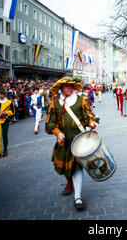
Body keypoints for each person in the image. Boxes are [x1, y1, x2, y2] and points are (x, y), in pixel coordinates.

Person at [45, 77, 99, 210]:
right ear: (61, 88)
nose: (69, 88)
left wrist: (92, 122)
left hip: (79, 139)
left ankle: (78, 197)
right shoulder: (55, 103)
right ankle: (69, 184)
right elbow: (51, 123)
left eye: (71, 86)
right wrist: (58, 133)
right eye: (66, 86)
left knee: (76, 167)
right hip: (63, 141)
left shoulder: (81, 100)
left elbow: (87, 116)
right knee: (65, 166)